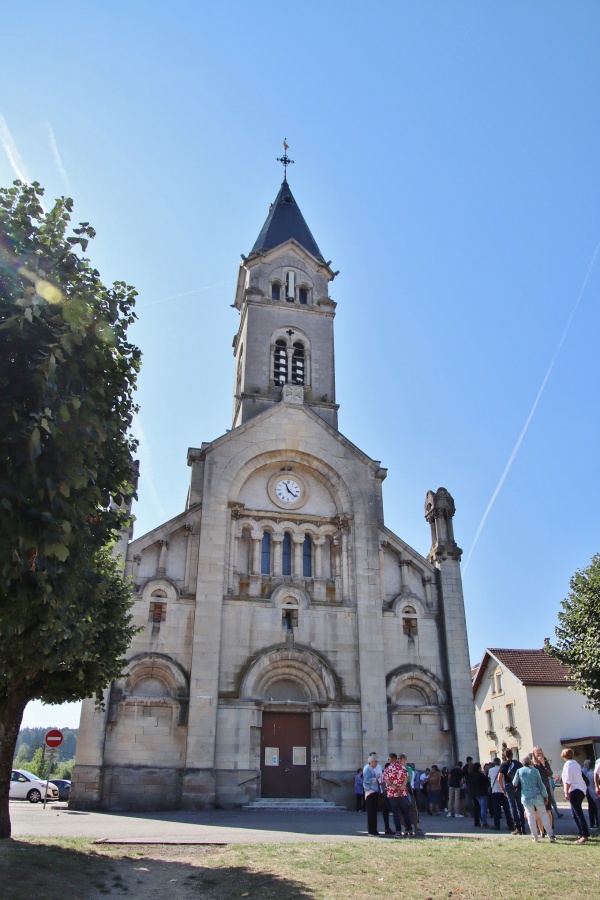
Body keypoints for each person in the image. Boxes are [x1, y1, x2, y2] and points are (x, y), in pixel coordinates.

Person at [512, 755, 555, 843]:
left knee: (530, 816)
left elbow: (514, 783)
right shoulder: (535, 771)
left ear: (522, 763)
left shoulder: (519, 771)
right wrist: (545, 795)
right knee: (543, 814)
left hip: (526, 797)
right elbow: (541, 784)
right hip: (538, 796)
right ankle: (550, 835)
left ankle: (535, 837)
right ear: (530, 762)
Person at [561, 747, 590, 844]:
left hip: (574, 790)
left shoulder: (568, 765)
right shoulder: (576, 763)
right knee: (574, 814)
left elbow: (567, 780)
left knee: (578, 814)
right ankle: (581, 832)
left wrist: (565, 792)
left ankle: (584, 835)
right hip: (581, 789)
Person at [382, 753, 413, 836]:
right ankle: (410, 829)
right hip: (402, 793)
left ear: (391, 759)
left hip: (392, 794)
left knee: (395, 813)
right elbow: (406, 779)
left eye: (388, 759)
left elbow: (387, 781)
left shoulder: (387, 769)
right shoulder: (403, 768)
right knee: (405, 812)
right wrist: (401, 787)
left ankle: (398, 831)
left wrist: (394, 787)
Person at [498, 749, 526, 835]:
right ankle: (523, 827)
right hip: (518, 785)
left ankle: (517, 827)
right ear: (512, 754)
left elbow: (499, 778)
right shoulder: (518, 763)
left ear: (504, 755)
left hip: (509, 786)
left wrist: (503, 789)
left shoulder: (504, 764)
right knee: (520, 806)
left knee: (512, 806)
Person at [531, 746, 554, 833]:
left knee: (548, 810)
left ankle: (550, 831)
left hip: (546, 788)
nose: (539, 755)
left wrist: (543, 764)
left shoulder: (545, 762)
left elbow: (550, 774)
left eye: (541, 753)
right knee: (538, 811)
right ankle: (541, 831)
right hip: (537, 790)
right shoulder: (532, 764)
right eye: (537, 753)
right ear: (534, 754)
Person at [488, 757, 514, 831]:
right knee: (506, 809)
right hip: (503, 790)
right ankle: (510, 824)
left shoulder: (490, 770)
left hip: (495, 791)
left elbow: (489, 779)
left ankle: (497, 825)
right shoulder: (503, 769)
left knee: (496, 809)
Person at [363, 752, 381, 836]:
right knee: (371, 812)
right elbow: (366, 779)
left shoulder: (371, 769)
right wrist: (375, 779)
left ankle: (374, 830)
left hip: (373, 792)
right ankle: (371, 831)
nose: (376, 763)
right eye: (375, 761)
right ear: (371, 761)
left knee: (373, 812)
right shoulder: (367, 768)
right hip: (370, 792)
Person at [472, 762, 490, 827]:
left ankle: (482, 821)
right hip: (483, 792)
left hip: (476, 793)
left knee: (480, 807)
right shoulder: (480, 774)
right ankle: (484, 822)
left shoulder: (473, 775)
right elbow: (487, 781)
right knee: (483, 808)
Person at [582, 760, 598, 829]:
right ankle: (597, 823)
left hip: (589, 792)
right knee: (597, 809)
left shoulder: (588, 773)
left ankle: (592, 823)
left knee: (591, 809)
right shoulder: (594, 774)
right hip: (596, 793)